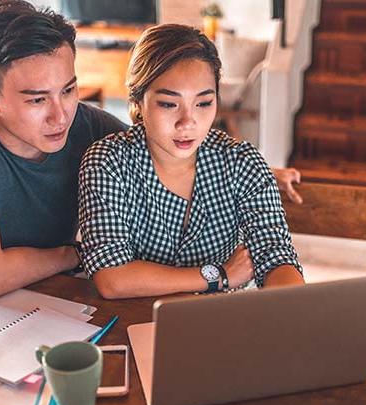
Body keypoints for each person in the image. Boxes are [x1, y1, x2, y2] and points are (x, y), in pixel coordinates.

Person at [0, 1, 302, 300]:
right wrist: (80, 255)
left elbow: (166, 144)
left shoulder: (87, 126)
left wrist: (262, 171)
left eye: (68, 89)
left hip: (61, 297)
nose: (60, 115)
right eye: (37, 100)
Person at [77, 24, 304, 299]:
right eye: (169, 104)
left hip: (219, 321)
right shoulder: (107, 163)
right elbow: (112, 278)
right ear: (138, 101)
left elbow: (276, 256)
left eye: (204, 103)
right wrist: (219, 275)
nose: (188, 122)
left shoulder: (243, 163)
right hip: (134, 319)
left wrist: (293, 310)